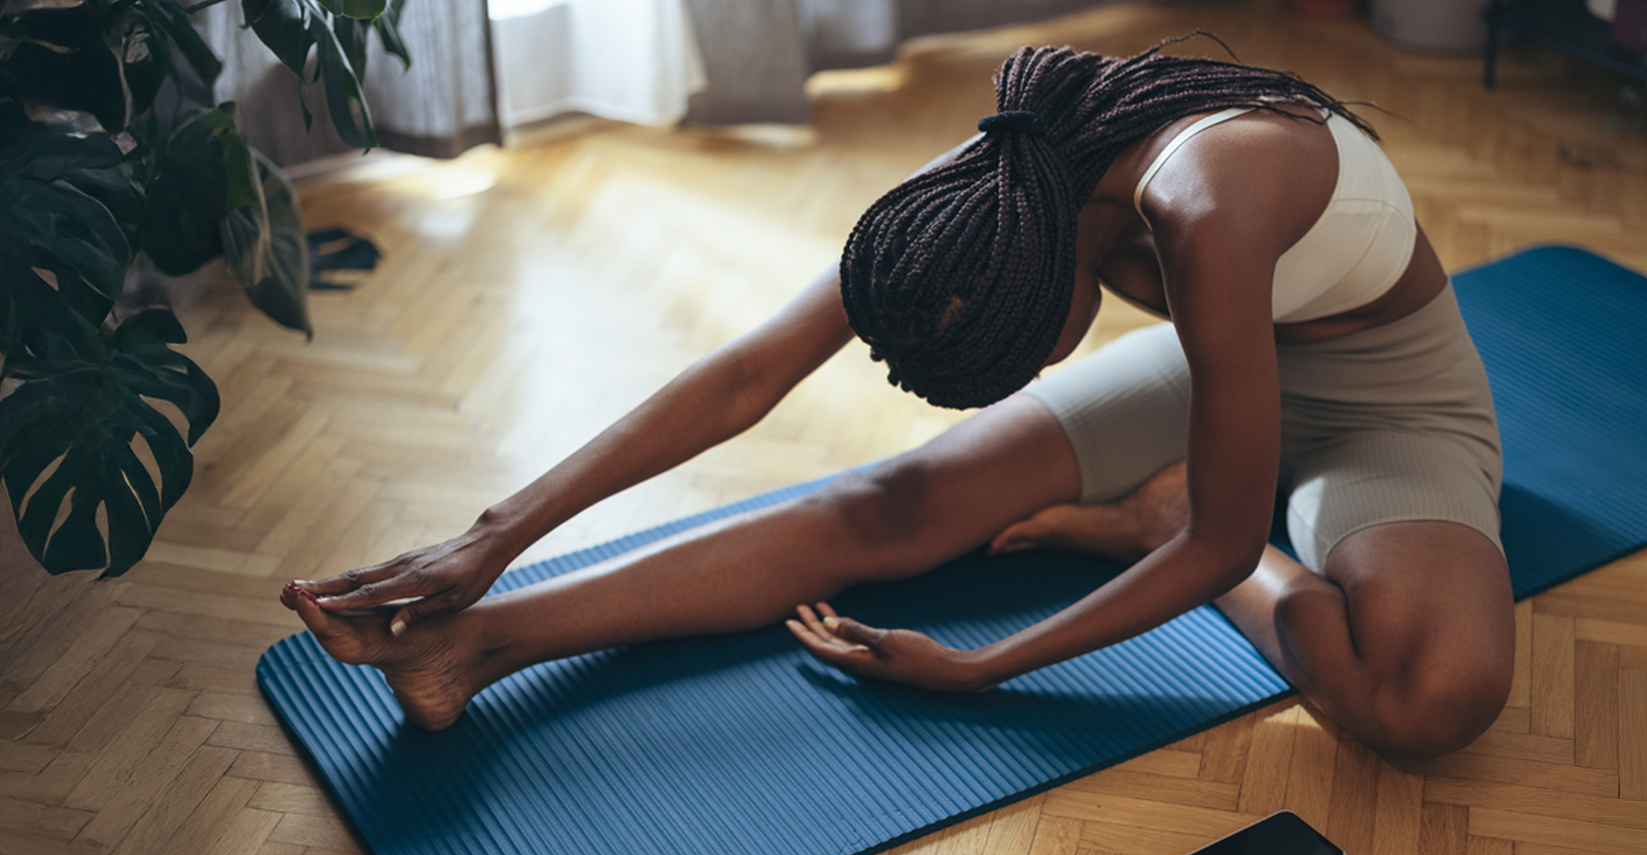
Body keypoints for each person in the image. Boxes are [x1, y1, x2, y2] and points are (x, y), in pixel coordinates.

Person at [281, 40, 1514, 759]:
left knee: (1426, 701)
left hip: (1385, 402)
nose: (1034, 376)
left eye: (1028, 354)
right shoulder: (1003, 175)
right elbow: (747, 375)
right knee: (887, 502)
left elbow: (1226, 539)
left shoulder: (1212, 204)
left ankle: (1145, 517)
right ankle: (476, 646)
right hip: (1217, 370)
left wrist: (990, 670)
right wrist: (493, 544)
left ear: (1058, 274)